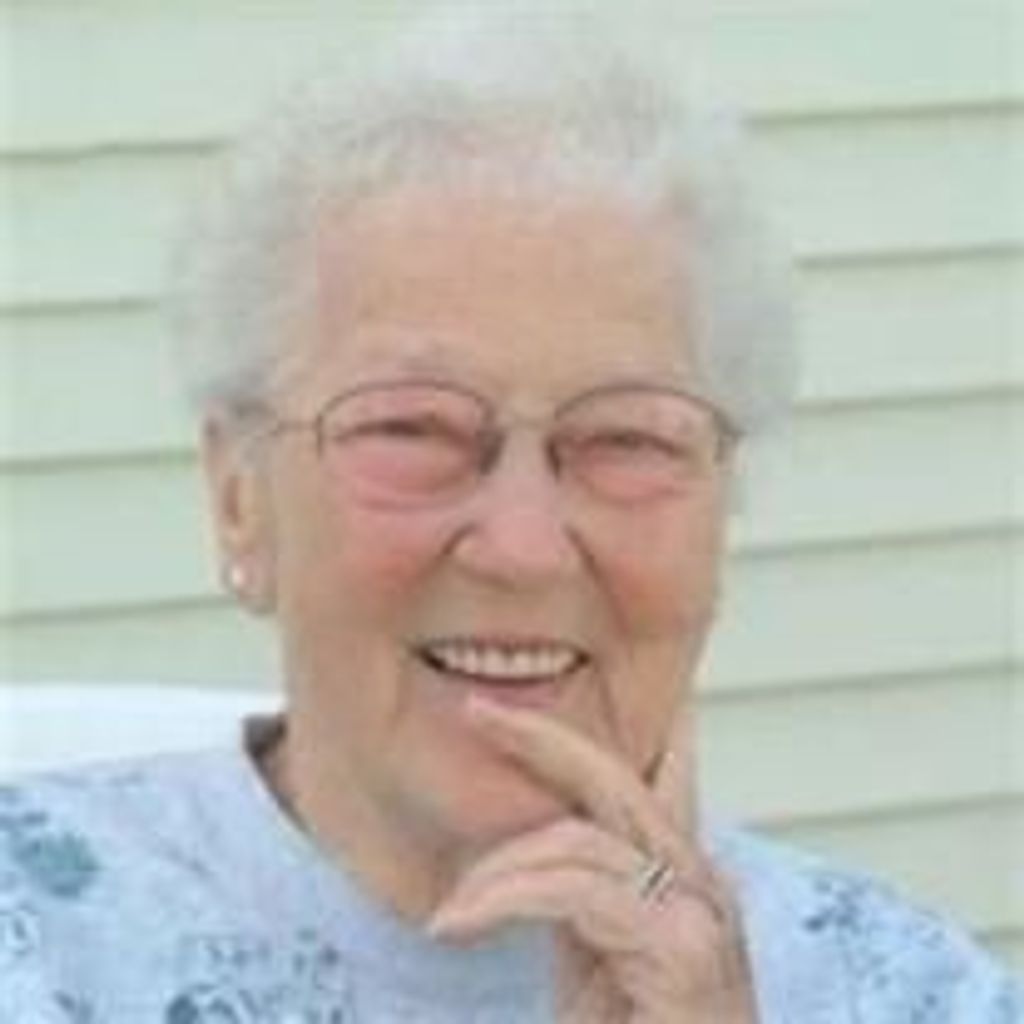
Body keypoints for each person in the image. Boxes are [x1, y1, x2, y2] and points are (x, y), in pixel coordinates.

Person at [1, 8, 1020, 1022]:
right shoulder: (39, 939)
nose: (523, 547)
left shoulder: (905, 989)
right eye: (412, 429)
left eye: (625, 439)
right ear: (239, 499)